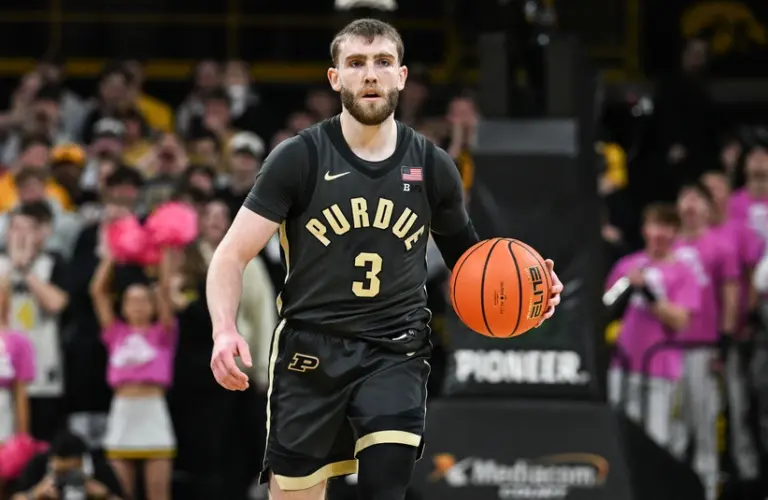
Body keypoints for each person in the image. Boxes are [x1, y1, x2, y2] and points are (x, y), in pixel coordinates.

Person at [206, 18, 563, 500]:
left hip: (395, 349)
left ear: (402, 75)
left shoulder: (432, 165)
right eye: (356, 63)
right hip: (311, 348)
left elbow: (470, 264)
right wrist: (224, 328)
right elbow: (230, 255)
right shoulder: (298, 158)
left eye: (382, 62)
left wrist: (531, 288)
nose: (370, 74)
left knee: (385, 483)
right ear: (335, 78)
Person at [606, 204, 700, 451]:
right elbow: (606, 306)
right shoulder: (627, 265)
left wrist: (648, 293)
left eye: (666, 227)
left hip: (660, 366)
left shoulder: (683, 272)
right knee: (621, 435)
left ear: (675, 232)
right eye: (654, 225)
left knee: (657, 438)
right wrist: (628, 287)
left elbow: (681, 320)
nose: (659, 233)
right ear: (644, 230)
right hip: (624, 364)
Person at [90, 250, 177, 500]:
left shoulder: (163, 333)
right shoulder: (115, 332)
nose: (138, 306)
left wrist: (162, 254)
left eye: (143, 300)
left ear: (153, 305)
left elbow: (165, 290)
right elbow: (97, 292)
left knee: (158, 493)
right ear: (123, 306)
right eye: (132, 300)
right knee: (120, 492)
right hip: (123, 411)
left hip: (153, 410)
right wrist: (111, 255)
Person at [671, 182, 739, 500]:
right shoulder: (668, 245)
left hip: (703, 346)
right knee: (673, 425)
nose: (690, 204)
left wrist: (723, 340)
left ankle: (709, 489)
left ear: (709, 208)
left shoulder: (720, 245)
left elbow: (730, 292)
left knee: (705, 421)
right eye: (685, 197)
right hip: (668, 349)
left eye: (697, 198)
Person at [11, 429, 124, 500]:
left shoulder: (99, 467)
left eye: (72, 471)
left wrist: (106, 494)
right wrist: (35, 494)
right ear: (51, 460)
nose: (67, 477)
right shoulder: (38, 464)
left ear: (82, 461)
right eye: (61, 472)